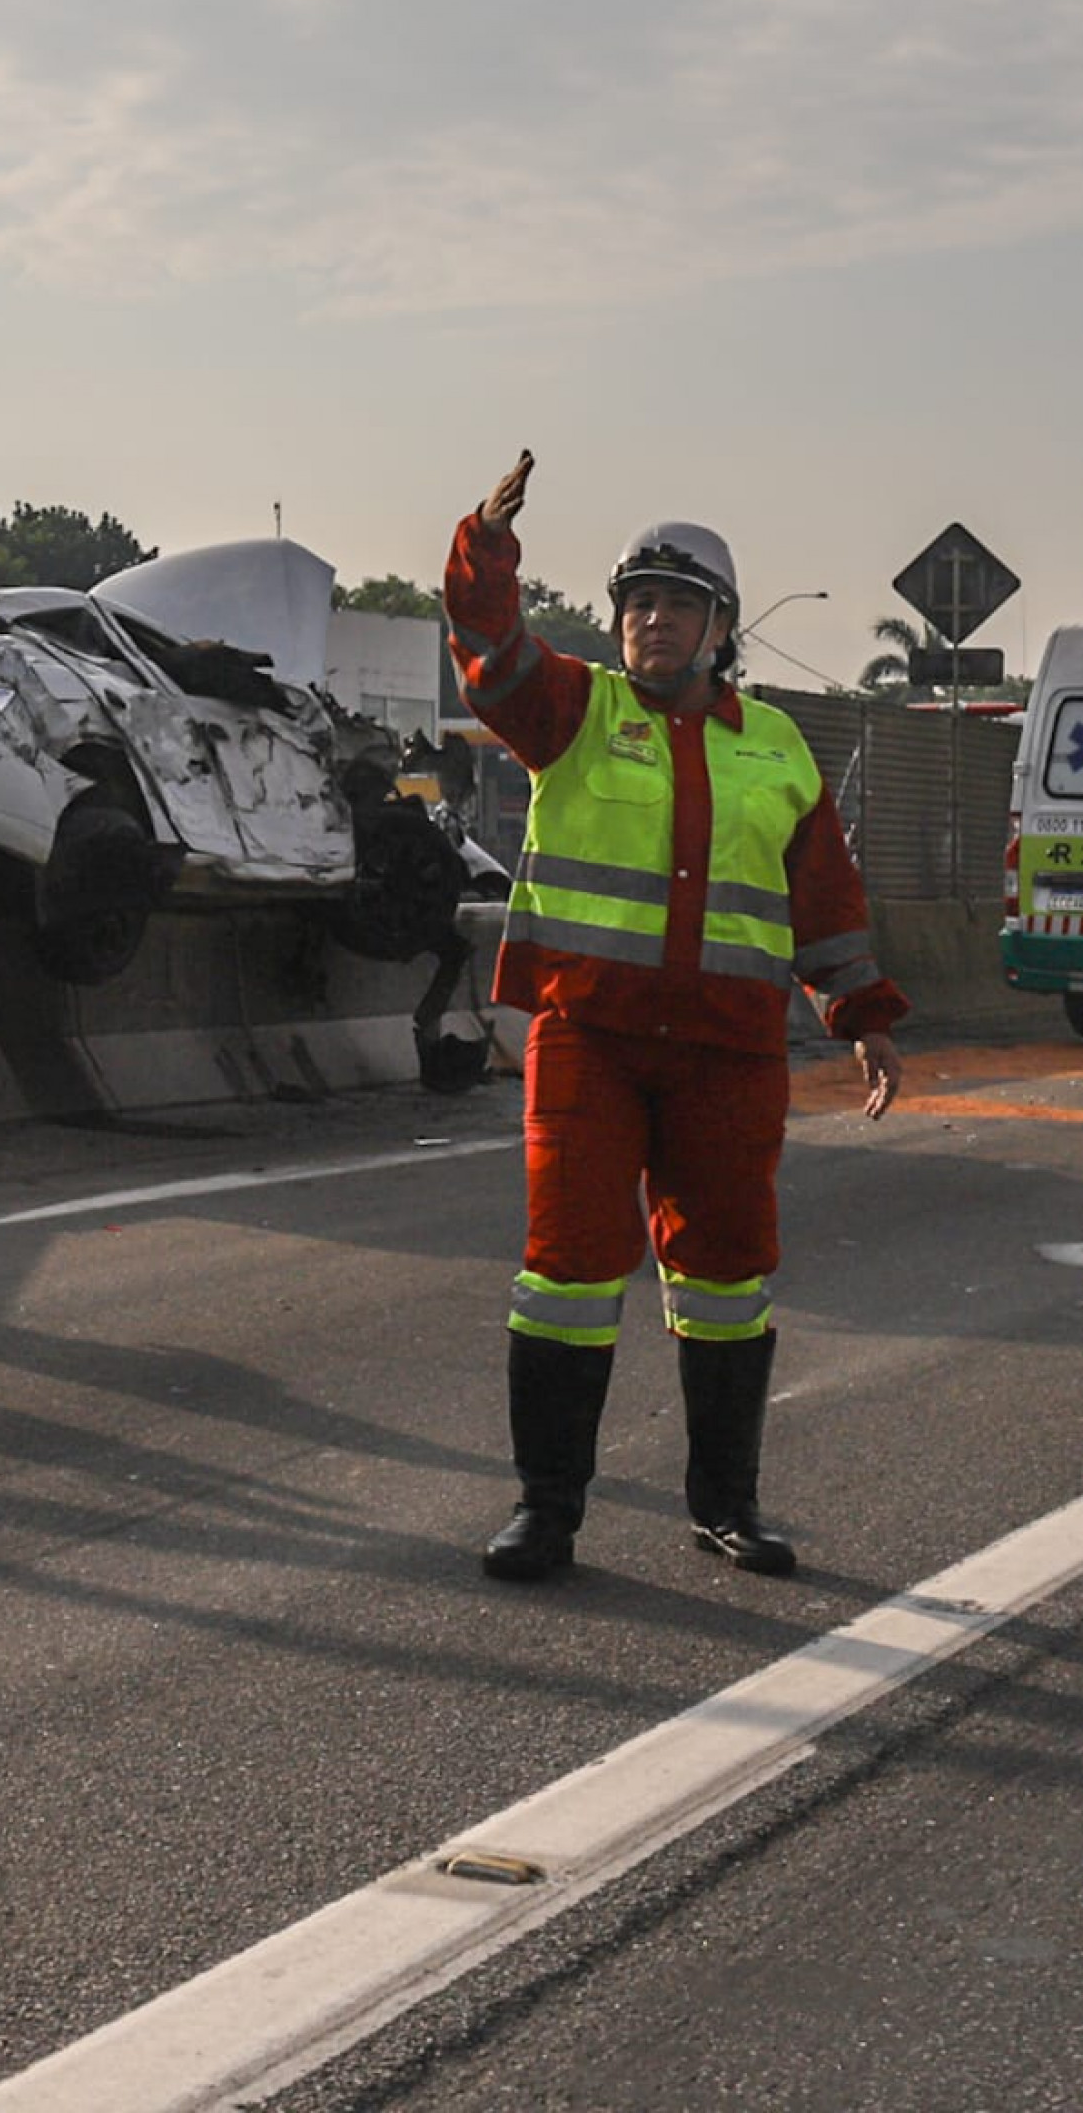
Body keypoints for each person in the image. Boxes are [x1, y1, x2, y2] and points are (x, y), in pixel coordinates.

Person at [446, 450, 907, 1582]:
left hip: (729, 1054)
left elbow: (825, 900)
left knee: (727, 1276)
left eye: (677, 604)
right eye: (636, 603)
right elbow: (488, 653)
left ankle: (725, 1507)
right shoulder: (571, 709)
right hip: (589, 1042)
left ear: (721, 628)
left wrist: (861, 1011)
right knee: (566, 1275)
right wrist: (486, 548)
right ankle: (546, 1513)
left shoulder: (776, 746)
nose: (651, 621)